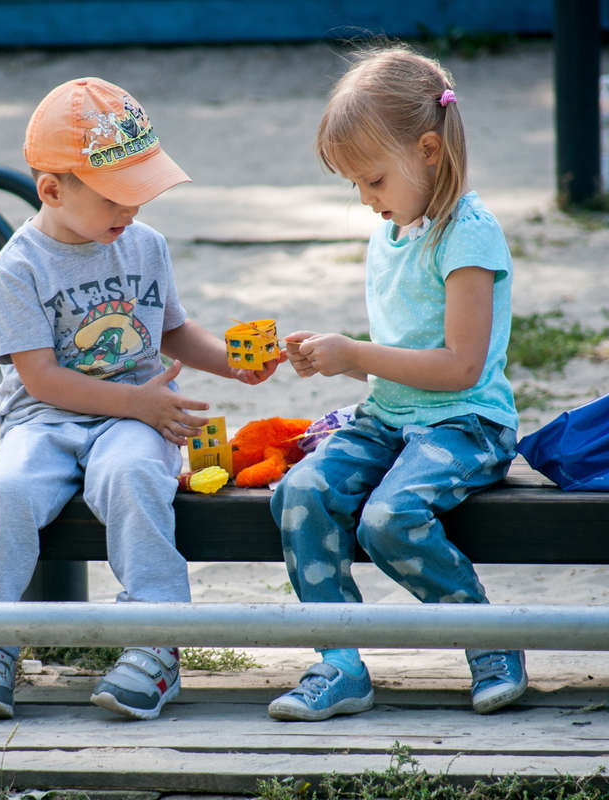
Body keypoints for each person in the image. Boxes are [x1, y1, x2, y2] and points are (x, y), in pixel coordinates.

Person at [0, 77, 281, 721]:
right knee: (6, 495)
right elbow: (41, 380)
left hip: (135, 416)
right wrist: (137, 406)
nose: (131, 210)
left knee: (132, 475)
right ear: (53, 190)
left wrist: (235, 367)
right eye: (115, 197)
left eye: (141, 192)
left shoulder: (144, 245)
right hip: (46, 420)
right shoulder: (17, 270)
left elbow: (174, 332)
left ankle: (157, 643)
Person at [268, 45, 524, 722]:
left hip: (466, 422)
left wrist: (355, 354)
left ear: (430, 151)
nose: (365, 200)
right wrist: (338, 357)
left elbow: (459, 367)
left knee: (389, 519)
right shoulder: (391, 233)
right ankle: (340, 661)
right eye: (355, 184)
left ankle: (489, 640)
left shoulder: (469, 235)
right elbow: (397, 350)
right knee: (300, 493)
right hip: (389, 417)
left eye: (374, 180)